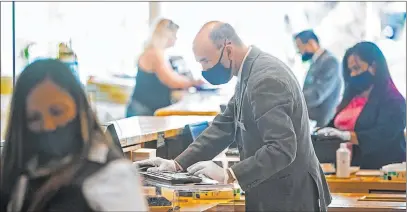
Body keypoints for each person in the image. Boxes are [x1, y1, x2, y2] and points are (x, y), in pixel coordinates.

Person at [135, 21, 331, 212]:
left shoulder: (265, 79)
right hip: (275, 190)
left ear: (227, 49)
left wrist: (230, 174)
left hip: (290, 197)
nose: (204, 70)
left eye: (206, 61)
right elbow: (224, 125)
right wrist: (176, 164)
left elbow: (282, 149)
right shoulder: (250, 71)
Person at [0, 59, 147, 211]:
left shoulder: (111, 177)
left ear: (79, 107)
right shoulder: (24, 175)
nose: (48, 125)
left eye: (57, 111)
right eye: (34, 118)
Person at [317, 41, 406, 169]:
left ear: (374, 67)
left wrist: (348, 136)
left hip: (378, 171)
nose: (353, 74)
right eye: (350, 70)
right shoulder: (350, 99)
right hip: (345, 169)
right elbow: (332, 126)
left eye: (357, 68)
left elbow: (383, 135)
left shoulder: (394, 101)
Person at [126, 18, 202, 117]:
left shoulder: (159, 53)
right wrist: (193, 82)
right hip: (142, 110)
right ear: (166, 34)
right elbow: (171, 80)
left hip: (146, 109)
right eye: (174, 35)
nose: (176, 38)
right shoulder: (155, 54)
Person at [294, 30, 343, 127]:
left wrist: (292, 102)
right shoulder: (316, 62)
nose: (299, 52)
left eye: (300, 47)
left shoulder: (330, 62)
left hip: (321, 125)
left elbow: (317, 94)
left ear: (311, 43)